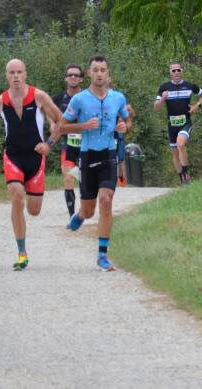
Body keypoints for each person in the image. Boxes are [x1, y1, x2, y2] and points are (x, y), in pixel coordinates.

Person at [0, 59, 64, 271]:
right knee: (16, 196)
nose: (16, 76)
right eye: (11, 72)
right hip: (13, 156)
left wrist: (49, 144)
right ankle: (22, 253)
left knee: (34, 210)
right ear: (6, 76)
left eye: (19, 72)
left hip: (35, 158)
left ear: (25, 74)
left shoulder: (39, 97)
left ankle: (27, 206)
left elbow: (61, 121)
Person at [58, 55, 132, 271]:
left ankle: (102, 255)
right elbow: (61, 126)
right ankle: (80, 215)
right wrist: (82, 126)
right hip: (88, 156)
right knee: (89, 211)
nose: (99, 74)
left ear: (108, 74)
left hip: (108, 155)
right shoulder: (79, 99)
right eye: (95, 70)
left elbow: (127, 120)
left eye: (103, 70)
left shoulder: (118, 98)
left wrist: (125, 127)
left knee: (106, 200)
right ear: (89, 73)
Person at [153, 62, 202, 184]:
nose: (176, 72)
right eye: (173, 70)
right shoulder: (164, 87)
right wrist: (162, 99)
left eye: (178, 70)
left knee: (180, 144)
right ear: (170, 73)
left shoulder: (189, 86)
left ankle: (186, 174)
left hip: (185, 122)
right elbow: (155, 108)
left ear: (182, 71)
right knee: (175, 154)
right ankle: (182, 178)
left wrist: (197, 106)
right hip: (172, 125)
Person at [52, 64, 84, 216]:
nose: (73, 77)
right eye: (70, 75)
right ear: (66, 78)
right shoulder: (58, 98)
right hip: (68, 145)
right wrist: (51, 124)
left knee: (86, 181)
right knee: (69, 178)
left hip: (88, 145)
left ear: (81, 79)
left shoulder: (88, 97)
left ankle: (86, 209)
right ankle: (72, 217)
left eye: (76, 75)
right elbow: (46, 110)